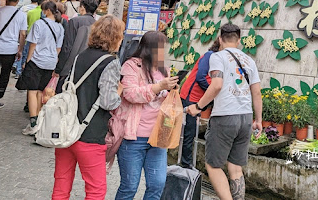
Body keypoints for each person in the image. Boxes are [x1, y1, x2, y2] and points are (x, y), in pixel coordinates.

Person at [186, 24, 262, 200]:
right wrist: (258, 119)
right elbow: (256, 92)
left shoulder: (217, 57)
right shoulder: (249, 60)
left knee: (213, 165)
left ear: (220, 39)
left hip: (225, 116)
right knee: (235, 167)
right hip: (245, 117)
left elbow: (217, 84)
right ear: (239, 40)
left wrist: (198, 107)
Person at [51, 15, 124, 200]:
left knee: (61, 184)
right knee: (95, 190)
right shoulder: (111, 62)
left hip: (67, 130)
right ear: (115, 37)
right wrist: (119, 93)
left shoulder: (80, 57)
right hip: (90, 134)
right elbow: (108, 101)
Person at [115, 31, 180, 200]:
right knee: (129, 186)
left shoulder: (163, 68)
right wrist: (159, 87)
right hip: (134, 137)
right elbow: (130, 94)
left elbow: (164, 96)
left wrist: (171, 92)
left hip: (158, 136)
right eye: (161, 48)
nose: (165, 52)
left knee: (157, 184)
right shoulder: (131, 66)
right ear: (150, 49)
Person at [18, 1, 64, 135]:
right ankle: (39, 121)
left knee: (32, 91)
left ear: (47, 11)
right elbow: (59, 48)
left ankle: (33, 123)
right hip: (51, 62)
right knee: (40, 91)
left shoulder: (39, 24)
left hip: (37, 60)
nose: (42, 13)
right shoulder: (59, 27)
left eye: (43, 10)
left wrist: (27, 60)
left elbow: (33, 44)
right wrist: (53, 58)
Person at [179, 39, 220, 168]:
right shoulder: (209, 56)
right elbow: (200, 77)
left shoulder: (218, 59)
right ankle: (186, 165)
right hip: (191, 97)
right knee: (189, 133)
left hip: (199, 99)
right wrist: (212, 93)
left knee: (190, 132)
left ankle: (187, 163)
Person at [54, 0, 99, 93]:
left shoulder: (75, 21)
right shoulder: (97, 24)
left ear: (82, 7)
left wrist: (59, 68)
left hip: (71, 67)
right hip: (87, 68)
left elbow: (67, 47)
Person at [15, 0, 48, 80]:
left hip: (28, 36)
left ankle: (19, 72)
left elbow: (26, 25)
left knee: (24, 55)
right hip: (39, 39)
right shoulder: (45, 14)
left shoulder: (30, 12)